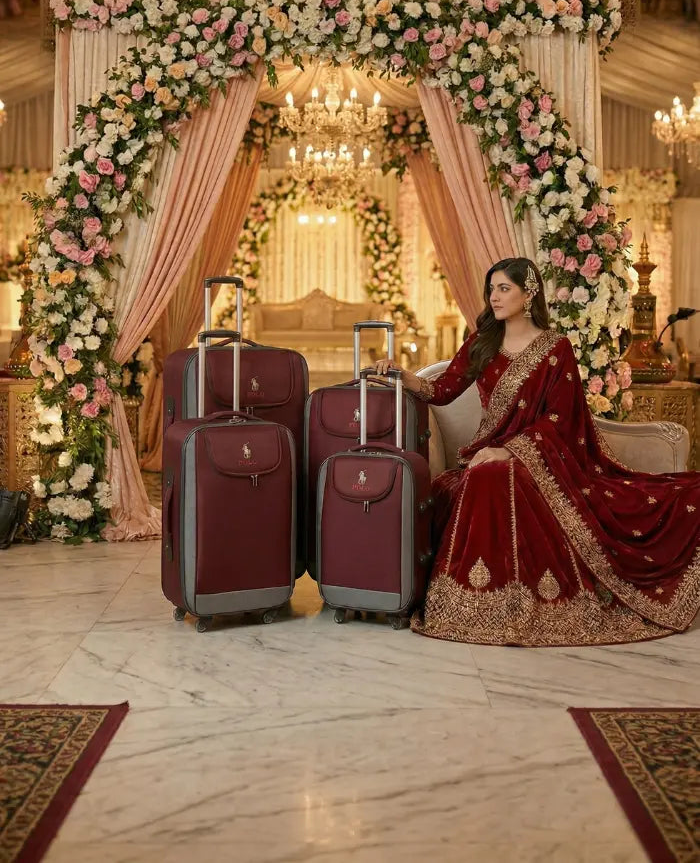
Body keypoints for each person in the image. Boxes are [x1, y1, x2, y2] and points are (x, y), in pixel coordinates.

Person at [374, 257, 700, 646]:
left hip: (544, 458)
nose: (493, 297)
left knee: (496, 474)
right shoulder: (483, 343)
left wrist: (510, 451)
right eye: (491, 289)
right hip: (486, 454)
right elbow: (443, 390)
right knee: (485, 474)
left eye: (503, 289)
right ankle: (473, 606)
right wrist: (403, 376)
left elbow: (562, 418)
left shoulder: (554, 347)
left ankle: (522, 604)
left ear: (529, 294)